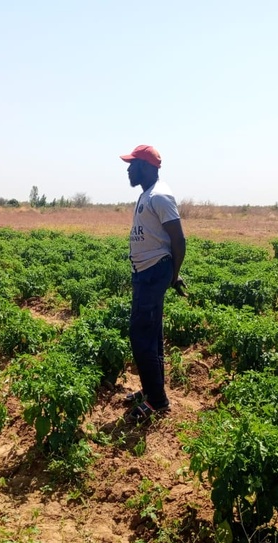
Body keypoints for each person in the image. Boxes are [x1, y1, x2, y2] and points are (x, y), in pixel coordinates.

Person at [119, 144, 186, 423]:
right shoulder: (147, 195)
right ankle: (151, 390)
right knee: (151, 334)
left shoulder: (159, 196)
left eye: (132, 164)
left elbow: (178, 239)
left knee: (141, 336)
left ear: (146, 167)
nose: (128, 169)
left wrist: (173, 274)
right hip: (146, 272)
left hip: (153, 273)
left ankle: (157, 401)